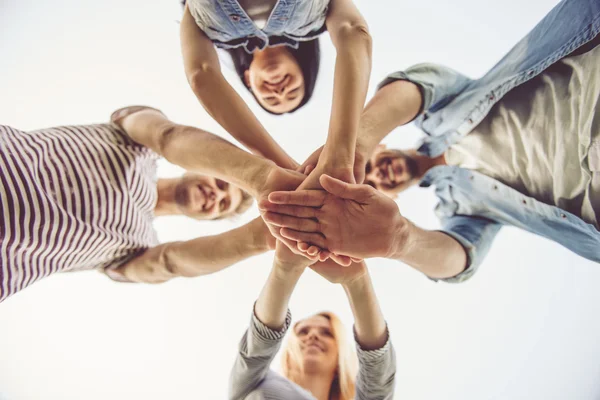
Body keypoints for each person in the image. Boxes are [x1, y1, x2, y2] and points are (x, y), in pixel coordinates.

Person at [259, 0, 600, 283]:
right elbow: (460, 257)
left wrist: (354, 146)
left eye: (371, 168)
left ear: (382, 148)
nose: (379, 174)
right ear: (390, 196)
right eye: (376, 184)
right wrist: (400, 240)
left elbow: (414, 90)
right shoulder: (458, 207)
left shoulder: (443, 111)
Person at [0, 105, 308, 303]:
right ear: (206, 167)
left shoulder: (139, 247)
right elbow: (167, 137)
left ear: (208, 221)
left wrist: (266, 235)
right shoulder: (136, 143)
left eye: (223, 205)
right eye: (222, 182)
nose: (217, 194)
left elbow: (171, 263)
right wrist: (258, 177)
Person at [180, 0, 372, 169]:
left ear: (249, 80)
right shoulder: (318, 20)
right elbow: (353, 31)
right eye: (293, 91)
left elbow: (201, 75)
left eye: (270, 99)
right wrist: (340, 152)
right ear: (303, 69)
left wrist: (282, 167)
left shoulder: (212, 35)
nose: (280, 92)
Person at [229, 255, 396, 399]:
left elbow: (378, 380)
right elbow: (255, 350)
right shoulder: (253, 383)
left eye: (327, 333)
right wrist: (284, 269)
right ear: (288, 353)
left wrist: (356, 280)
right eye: (302, 332)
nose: (313, 335)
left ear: (340, 355)